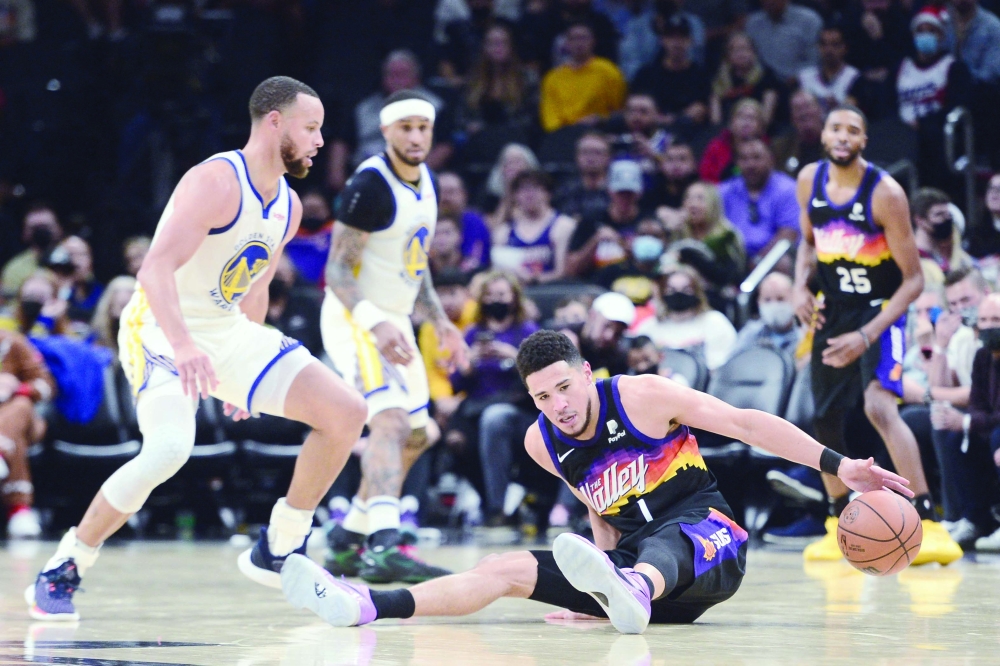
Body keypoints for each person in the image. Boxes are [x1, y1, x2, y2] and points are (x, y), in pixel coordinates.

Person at [280, 329, 913, 634]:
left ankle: (629, 587)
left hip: (709, 547)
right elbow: (598, 512)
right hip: (630, 574)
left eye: (564, 387)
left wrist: (839, 467)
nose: (557, 405)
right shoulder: (540, 440)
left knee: (673, 539)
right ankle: (365, 603)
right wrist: (598, 599)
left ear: (587, 372)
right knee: (503, 568)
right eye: (541, 397)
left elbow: (744, 422)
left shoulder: (642, 395)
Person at [26, 76, 371, 621]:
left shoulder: (290, 206)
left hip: (224, 329)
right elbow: (154, 267)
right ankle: (67, 564)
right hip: (159, 328)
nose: (321, 141)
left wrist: (248, 376)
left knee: (347, 411)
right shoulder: (215, 180)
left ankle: (279, 544)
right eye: (312, 127)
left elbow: (254, 290)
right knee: (167, 450)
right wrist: (185, 346)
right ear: (274, 122)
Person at [792, 103, 962, 565]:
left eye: (853, 129)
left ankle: (926, 519)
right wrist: (797, 288)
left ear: (864, 140)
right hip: (835, 309)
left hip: (881, 312)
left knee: (879, 407)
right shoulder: (808, 180)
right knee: (823, 418)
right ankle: (835, 518)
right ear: (824, 135)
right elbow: (808, 245)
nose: (843, 135)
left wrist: (866, 336)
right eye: (835, 127)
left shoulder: (885, 193)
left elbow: (914, 281)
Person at [322, 90, 468, 585]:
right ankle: (386, 544)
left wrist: (440, 320)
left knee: (420, 434)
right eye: (404, 128)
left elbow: (414, 260)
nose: (415, 137)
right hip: (356, 317)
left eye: (422, 128)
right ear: (386, 132)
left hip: (396, 318)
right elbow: (337, 270)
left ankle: (346, 541)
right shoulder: (371, 183)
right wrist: (376, 321)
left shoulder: (427, 181)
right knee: (388, 421)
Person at [450, 272, 540, 525]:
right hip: (474, 408)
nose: (495, 300)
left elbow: (540, 378)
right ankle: (481, 495)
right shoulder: (471, 333)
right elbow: (456, 383)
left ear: (514, 298)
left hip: (516, 409)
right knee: (454, 440)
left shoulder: (527, 331)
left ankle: (496, 509)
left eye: (501, 295)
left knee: (494, 419)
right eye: (490, 295)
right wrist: (470, 364)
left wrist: (513, 358)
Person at [327, 51, 452, 193]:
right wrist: (337, 177)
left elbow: (445, 146)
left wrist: (417, 174)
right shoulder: (364, 108)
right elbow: (341, 142)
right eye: (392, 75)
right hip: (365, 178)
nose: (396, 80)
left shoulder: (434, 106)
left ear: (416, 78)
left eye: (403, 74)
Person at [897, 8, 972, 196]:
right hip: (901, 139)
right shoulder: (901, 68)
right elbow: (888, 104)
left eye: (931, 31)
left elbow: (956, 106)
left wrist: (922, 124)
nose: (925, 35)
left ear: (941, 35)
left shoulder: (954, 68)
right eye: (920, 31)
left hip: (936, 142)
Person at [0, 329, 55, 538]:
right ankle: (19, 510)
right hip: (14, 435)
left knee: (21, 407)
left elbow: (47, 386)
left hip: (24, 418)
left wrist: (18, 388)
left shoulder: (14, 342)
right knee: (13, 438)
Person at [636, 265, 737, 370]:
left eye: (686, 289)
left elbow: (722, 367)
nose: (678, 294)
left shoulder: (715, 323)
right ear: (662, 293)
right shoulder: (648, 328)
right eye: (671, 290)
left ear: (697, 292)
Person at [718, 139, 800, 266]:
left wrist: (758, 261)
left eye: (757, 158)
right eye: (744, 159)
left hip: (771, 259)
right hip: (732, 258)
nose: (750, 164)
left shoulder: (788, 189)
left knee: (783, 263)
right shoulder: (725, 191)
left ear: (771, 160)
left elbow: (788, 235)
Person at [538, 22, 627, 133]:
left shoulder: (608, 71)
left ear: (593, 41)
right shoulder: (553, 78)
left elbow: (620, 110)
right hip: (564, 135)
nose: (579, 43)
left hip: (600, 131)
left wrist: (601, 119)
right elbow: (550, 118)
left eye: (583, 38)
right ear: (566, 43)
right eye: (573, 39)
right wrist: (568, 130)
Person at [492, 169, 576, 284]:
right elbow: (496, 273)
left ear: (548, 193)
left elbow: (562, 272)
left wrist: (533, 279)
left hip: (551, 291)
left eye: (535, 188)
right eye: (523, 189)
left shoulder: (563, 225)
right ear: (515, 196)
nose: (529, 194)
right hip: (515, 291)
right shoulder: (504, 232)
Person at [566, 160, 646, 279]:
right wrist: (595, 241)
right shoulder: (591, 220)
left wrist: (629, 247)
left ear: (639, 193)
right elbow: (570, 270)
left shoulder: (647, 223)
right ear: (610, 191)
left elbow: (656, 269)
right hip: (595, 288)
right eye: (620, 193)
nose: (625, 198)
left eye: (630, 193)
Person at [631, 13, 710, 129]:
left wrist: (676, 119)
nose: (676, 43)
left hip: (688, 133)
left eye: (682, 37)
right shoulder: (646, 74)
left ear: (690, 41)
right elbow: (635, 107)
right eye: (671, 37)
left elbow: (701, 110)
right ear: (662, 41)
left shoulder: (700, 75)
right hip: (651, 129)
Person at [969, 293, 1000, 551]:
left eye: (996, 319)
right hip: (992, 426)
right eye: (984, 320)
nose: (989, 326)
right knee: (950, 434)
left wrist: (982, 421)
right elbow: (975, 405)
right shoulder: (982, 356)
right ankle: (972, 518)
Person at [709, 31, 783, 128]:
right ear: (728, 55)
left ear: (753, 52)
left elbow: (766, 118)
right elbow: (716, 121)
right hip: (726, 131)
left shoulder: (766, 77)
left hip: (758, 130)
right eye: (735, 50)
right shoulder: (720, 80)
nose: (741, 53)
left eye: (745, 49)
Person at [728, 272, 803, 364]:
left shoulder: (803, 337)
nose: (774, 305)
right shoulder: (750, 333)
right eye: (767, 300)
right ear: (758, 302)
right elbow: (731, 364)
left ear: (794, 299)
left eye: (780, 299)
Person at [745, 0, 822, 85]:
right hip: (763, 83)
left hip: (801, 83)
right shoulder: (753, 23)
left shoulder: (809, 20)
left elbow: (815, 59)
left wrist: (798, 76)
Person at [1, 203, 62, 300]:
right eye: (35, 228)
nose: (41, 231)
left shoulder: (74, 260)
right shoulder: (14, 268)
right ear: (25, 233)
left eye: (46, 226)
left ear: (58, 229)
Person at [698, 98, 767, 184]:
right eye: (741, 117)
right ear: (731, 122)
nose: (746, 122)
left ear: (761, 126)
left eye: (752, 118)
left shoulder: (768, 148)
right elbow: (706, 180)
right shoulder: (716, 147)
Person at [910, 188, 975, 277]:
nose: (946, 219)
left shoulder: (945, 257)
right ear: (919, 220)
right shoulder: (912, 258)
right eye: (939, 214)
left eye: (948, 214)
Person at [797, 26, 862, 113]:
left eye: (835, 44)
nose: (828, 50)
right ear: (818, 47)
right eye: (824, 44)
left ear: (845, 48)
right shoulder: (805, 77)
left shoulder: (854, 77)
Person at [436, 172, 492, 271]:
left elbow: (474, 261)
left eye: (451, 192)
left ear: (463, 194)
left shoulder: (474, 221)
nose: (446, 197)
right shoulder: (424, 220)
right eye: (441, 192)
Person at [552, 132, 612, 221]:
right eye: (585, 152)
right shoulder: (564, 192)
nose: (591, 158)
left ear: (608, 157)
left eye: (597, 153)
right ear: (577, 157)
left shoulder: (617, 192)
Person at [283, 191, 334, 286]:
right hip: (292, 286)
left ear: (327, 210)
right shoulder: (288, 231)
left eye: (316, 210)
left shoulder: (333, 232)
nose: (312, 214)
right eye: (308, 210)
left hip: (324, 286)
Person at [772, 90, 825, 178]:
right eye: (798, 109)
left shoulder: (838, 142)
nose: (803, 113)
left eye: (807, 106)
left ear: (820, 110)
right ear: (792, 117)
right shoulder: (781, 148)